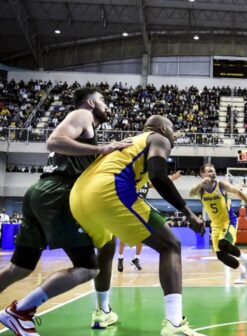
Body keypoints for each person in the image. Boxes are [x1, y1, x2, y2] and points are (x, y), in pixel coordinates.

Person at [0, 87, 130, 334]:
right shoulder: (82, 115)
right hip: (58, 195)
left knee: (20, 267)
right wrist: (101, 149)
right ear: (91, 103)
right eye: (103, 100)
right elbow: (54, 141)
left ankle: (19, 313)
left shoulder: (85, 130)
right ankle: (21, 313)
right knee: (89, 268)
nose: (107, 105)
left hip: (39, 193)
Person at [69, 115, 206, 335]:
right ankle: (174, 323)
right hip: (109, 191)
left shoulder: (131, 142)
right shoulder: (159, 139)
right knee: (170, 245)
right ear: (162, 128)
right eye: (172, 130)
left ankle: (102, 311)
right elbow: (159, 176)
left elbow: (148, 177)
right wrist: (188, 213)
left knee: (106, 246)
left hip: (78, 197)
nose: (174, 137)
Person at [190, 164, 247, 284]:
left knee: (223, 243)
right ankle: (242, 272)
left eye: (214, 171)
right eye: (209, 171)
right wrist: (201, 183)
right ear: (202, 174)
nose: (213, 173)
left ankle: (246, 258)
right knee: (220, 255)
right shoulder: (200, 190)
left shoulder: (221, 185)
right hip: (215, 225)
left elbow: (239, 192)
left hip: (229, 221)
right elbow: (190, 193)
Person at [117, 172, 181, 272]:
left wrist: (172, 179)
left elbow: (160, 185)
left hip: (141, 211)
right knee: (123, 237)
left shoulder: (147, 182)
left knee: (142, 237)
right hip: (128, 210)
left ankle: (136, 259)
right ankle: (120, 259)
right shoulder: (131, 181)